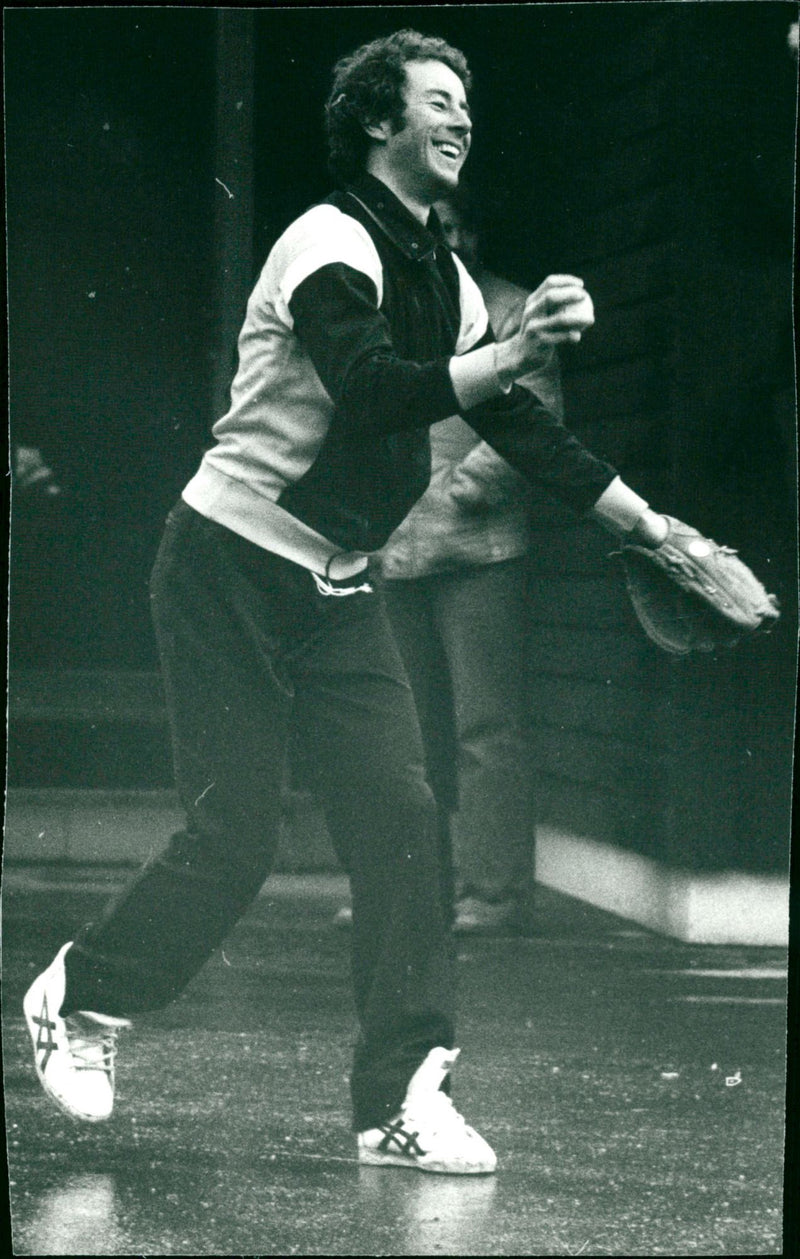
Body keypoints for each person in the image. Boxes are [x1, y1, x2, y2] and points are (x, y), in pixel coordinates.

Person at [23, 29, 669, 1176]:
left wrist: (642, 523)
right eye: (437, 100)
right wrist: (511, 350)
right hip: (226, 564)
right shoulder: (327, 243)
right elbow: (372, 392)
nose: (461, 117)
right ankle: (81, 997)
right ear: (379, 122)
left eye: (466, 99)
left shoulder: (447, 273)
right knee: (236, 834)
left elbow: (512, 421)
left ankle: (400, 1100)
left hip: (336, 585)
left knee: (403, 820)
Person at [379, 191, 562, 935]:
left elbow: (540, 411)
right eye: (430, 229)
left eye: (457, 225)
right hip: (396, 545)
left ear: (476, 233)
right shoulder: (391, 312)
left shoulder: (514, 309)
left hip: (482, 547)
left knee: (485, 725)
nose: (445, 238)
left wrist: (463, 487)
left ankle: (493, 891)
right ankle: (415, 887)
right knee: (407, 727)